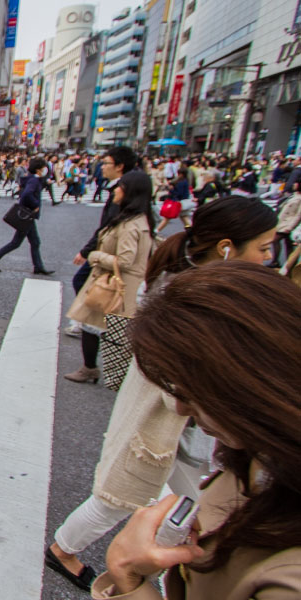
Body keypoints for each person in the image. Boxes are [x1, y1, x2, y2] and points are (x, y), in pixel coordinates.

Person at [44, 196, 278, 592]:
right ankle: (64, 549)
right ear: (225, 247)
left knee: (195, 500)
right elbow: (181, 384)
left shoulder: (197, 282)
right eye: (264, 248)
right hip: (160, 424)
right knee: (118, 499)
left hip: (182, 431)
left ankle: (177, 564)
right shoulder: (190, 298)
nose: (269, 258)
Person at [88, 261, 301, 600]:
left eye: (189, 392)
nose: (181, 408)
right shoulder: (261, 455)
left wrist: (127, 577)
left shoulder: (288, 579)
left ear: (252, 382)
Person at [63, 171, 155, 384]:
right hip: (118, 284)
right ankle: (96, 370)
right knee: (100, 328)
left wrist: (95, 255)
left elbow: (124, 260)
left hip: (115, 285)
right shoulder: (137, 219)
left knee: (104, 329)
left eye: (120, 186)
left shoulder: (130, 224)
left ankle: (99, 372)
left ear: (130, 191)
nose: (115, 190)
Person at [0, 157, 55, 275]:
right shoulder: (33, 181)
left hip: (27, 215)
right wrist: (36, 204)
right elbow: (26, 194)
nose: (45, 170)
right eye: (43, 168)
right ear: (38, 169)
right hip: (27, 215)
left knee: (34, 242)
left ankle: (38, 266)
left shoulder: (32, 179)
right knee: (17, 243)